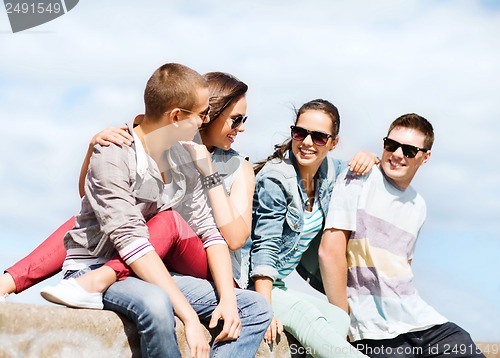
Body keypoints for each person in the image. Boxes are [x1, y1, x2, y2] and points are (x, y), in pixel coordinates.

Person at [3, 64, 272, 358]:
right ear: (178, 116)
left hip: (176, 260)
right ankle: (31, 280)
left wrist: (229, 299)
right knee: (153, 287)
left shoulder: (209, 161)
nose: (241, 127)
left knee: (252, 305)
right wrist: (93, 149)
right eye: (234, 119)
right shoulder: (125, 147)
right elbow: (96, 205)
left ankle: (97, 278)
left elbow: (224, 236)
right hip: (132, 256)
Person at [318, 113, 485, 358]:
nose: (397, 154)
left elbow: (403, 267)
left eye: (408, 150)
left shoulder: (419, 205)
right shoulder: (359, 177)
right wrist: (341, 323)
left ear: (424, 157)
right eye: (391, 145)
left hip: (423, 321)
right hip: (374, 329)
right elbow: (329, 252)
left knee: (465, 345)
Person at [249, 99, 376, 357]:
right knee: (309, 319)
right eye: (300, 132)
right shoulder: (276, 179)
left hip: (279, 284)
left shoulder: (331, 172)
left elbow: (378, 172)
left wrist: (370, 157)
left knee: (339, 320)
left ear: (333, 143)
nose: (307, 142)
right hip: (251, 284)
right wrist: (264, 309)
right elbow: (265, 247)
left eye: (318, 137)